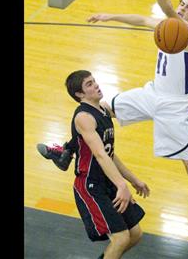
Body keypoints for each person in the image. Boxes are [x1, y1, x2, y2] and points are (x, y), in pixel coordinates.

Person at [38, 0, 188, 248]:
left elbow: (167, 13)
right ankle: (65, 151)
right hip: (152, 93)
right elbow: (141, 20)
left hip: (175, 105)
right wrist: (109, 16)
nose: (181, 9)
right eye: (181, 4)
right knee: (96, 108)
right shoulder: (167, 25)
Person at [40, 70, 150, 259]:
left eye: (94, 81)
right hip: (90, 185)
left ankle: (63, 152)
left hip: (107, 181)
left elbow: (110, 154)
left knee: (135, 235)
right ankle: (63, 151)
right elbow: (99, 155)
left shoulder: (103, 110)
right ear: (79, 95)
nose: (96, 85)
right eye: (89, 84)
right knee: (121, 238)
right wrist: (121, 185)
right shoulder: (84, 117)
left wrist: (133, 180)